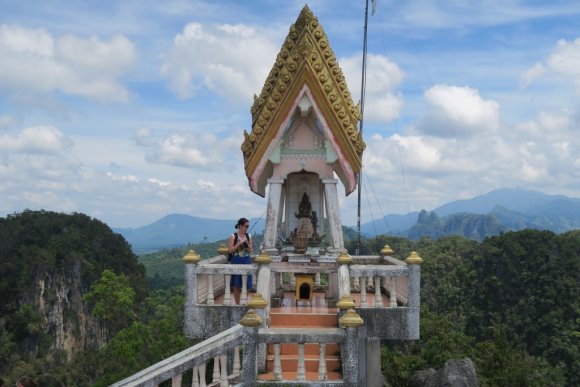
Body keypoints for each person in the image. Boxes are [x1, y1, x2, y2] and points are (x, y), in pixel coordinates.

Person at [228, 217, 253, 304]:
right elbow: (230, 250)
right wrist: (239, 243)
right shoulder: (233, 236)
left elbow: (251, 250)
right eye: (246, 226)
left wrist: (247, 244)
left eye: (248, 226)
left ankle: (245, 301)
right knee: (236, 285)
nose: (247, 228)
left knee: (248, 284)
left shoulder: (248, 236)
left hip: (246, 260)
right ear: (240, 226)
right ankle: (238, 303)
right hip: (236, 260)